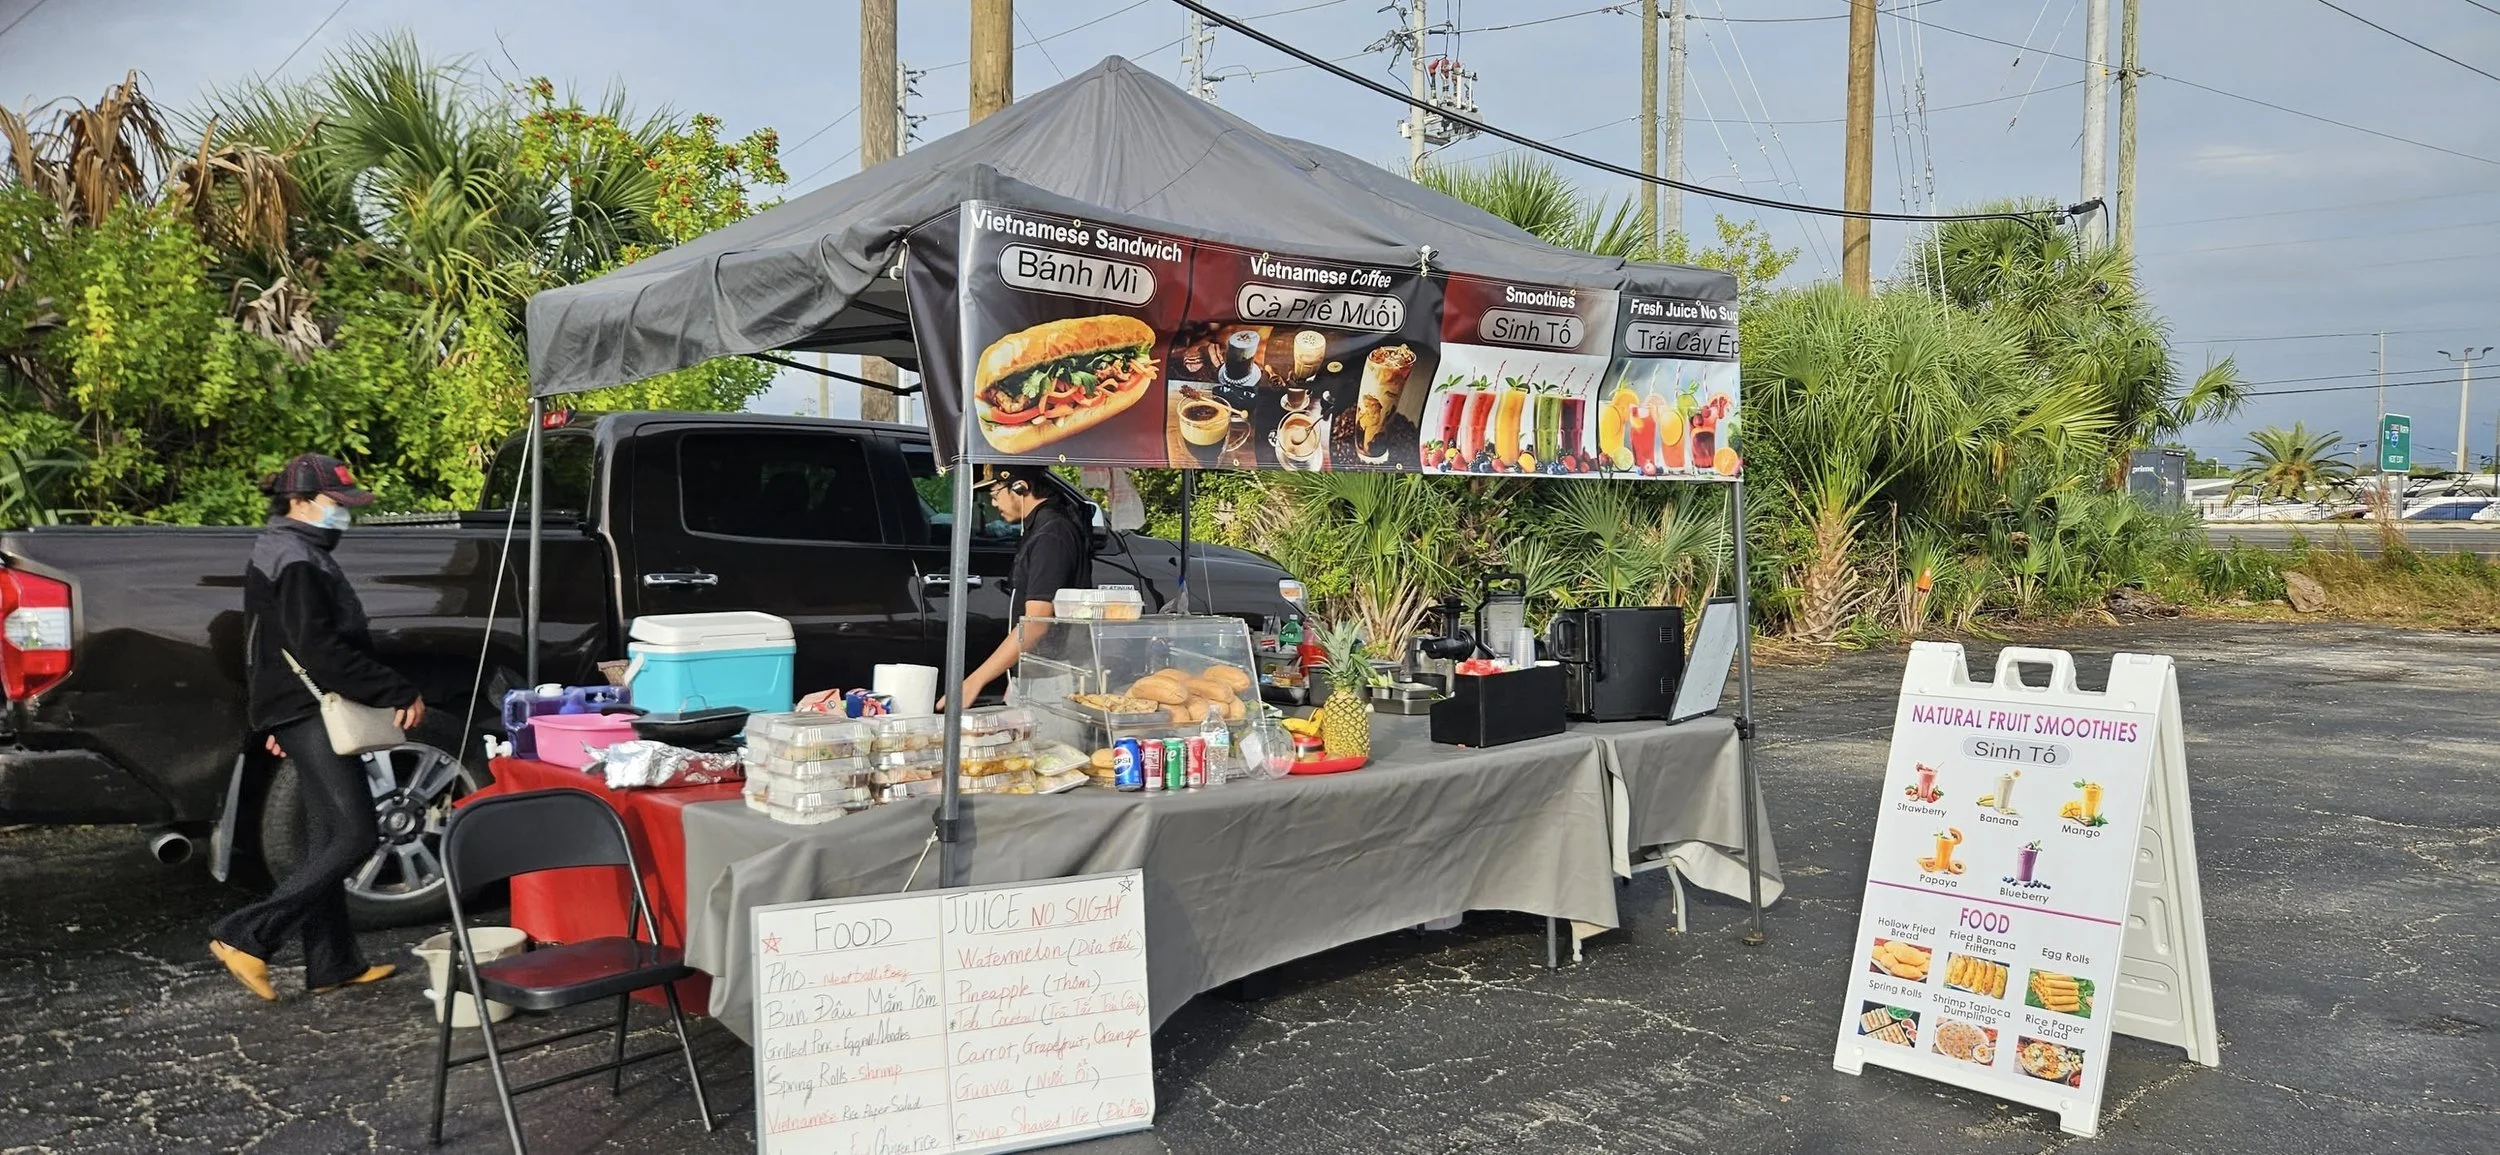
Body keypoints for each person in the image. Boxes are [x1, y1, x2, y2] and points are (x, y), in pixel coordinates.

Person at [209, 454, 425, 1001]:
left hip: (296, 709)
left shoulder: (284, 548)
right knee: (357, 835)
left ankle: (332, 964)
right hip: (308, 709)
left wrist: (273, 713)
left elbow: (265, 645)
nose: (344, 515)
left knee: (326, 837)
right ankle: (247, 935)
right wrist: (395, 689)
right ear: (300, 502)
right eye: (336, 504)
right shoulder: (297, 558)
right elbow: (319, 649)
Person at [951, 464, 1092, 707]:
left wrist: (976, 680)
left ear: (1020, 487)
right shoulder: (1041, 527)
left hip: (1051, 680)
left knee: (1050, 747)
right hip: (1037, 675)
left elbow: (1036, 623)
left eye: (995, 494)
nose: (994, 504)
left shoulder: (1051, 535)